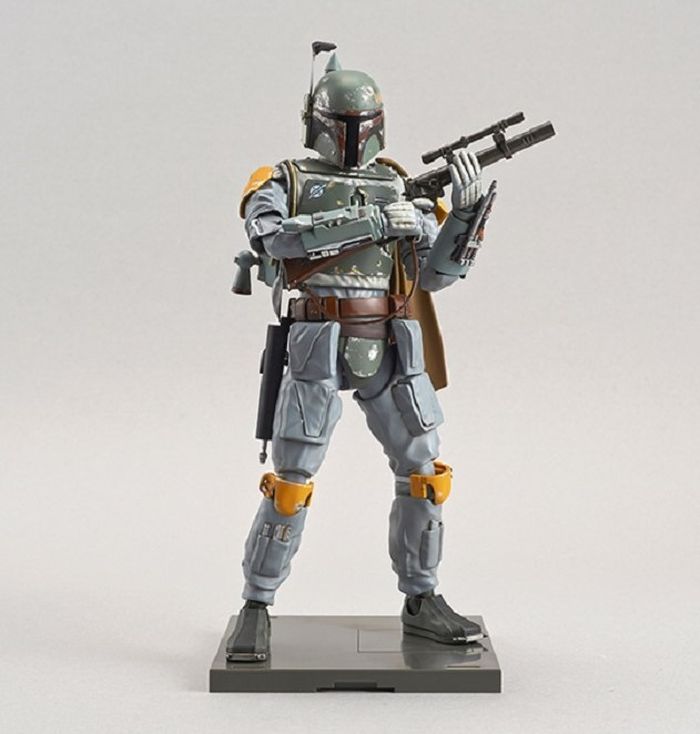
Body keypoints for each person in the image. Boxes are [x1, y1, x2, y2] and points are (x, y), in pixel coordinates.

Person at [228, 50, 492, 662]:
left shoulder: (398, 184)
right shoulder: (283, 180)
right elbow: (275, 241)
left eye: (364, 123)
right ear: (318, 121)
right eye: (344, 123)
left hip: (390, 340)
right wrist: (371, 222)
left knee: (424, 472)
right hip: (316, 341)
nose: (354, 136)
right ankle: (256, 605)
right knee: (291, 479)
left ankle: (422, 599)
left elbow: (436, 276)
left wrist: (465, 219)